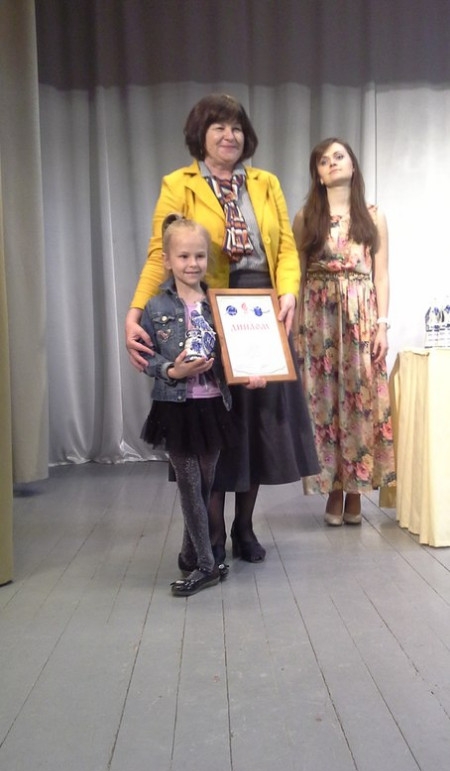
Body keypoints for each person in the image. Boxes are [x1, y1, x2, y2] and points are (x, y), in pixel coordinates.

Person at [127, 93, 319, 563]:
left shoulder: (266, 183)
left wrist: (289, 292)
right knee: (213, 424)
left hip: (260, 311)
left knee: (255, 426)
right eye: (218, 127)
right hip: (206, 309)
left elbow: (286, 249)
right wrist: (135, 311)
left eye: (236, 127)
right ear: (201, 134)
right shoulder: (179, 184)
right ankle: (211, 533)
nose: (229, 135)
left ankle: (244, 528)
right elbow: (158, 253)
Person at [292, 137, 395, 526]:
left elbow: (381, 275)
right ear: (318, 175)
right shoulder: (306, 218)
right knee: (324, 405)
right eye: (323, 160)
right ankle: (333, 489)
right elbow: (297, 276)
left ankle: (355, 492)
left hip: (360, 319)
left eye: (339, 156)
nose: (332, 163)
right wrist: (295, 329)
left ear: (353, 166)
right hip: (318, 320)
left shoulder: (373, 216)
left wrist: (382, 325)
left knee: (359, 402)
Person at [140, 215, 239, 596]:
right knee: (189, 485)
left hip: (213, 406)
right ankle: (206, 565)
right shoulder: (154, 306)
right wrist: (172, 370)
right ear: (167, 260)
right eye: (183, 256)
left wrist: (252, 370)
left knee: (205, 485)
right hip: (176, 409)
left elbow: (234, 353)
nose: (192, 263)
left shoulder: (218, 304)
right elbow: (146, 357)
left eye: (199, 255)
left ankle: (189, 553)